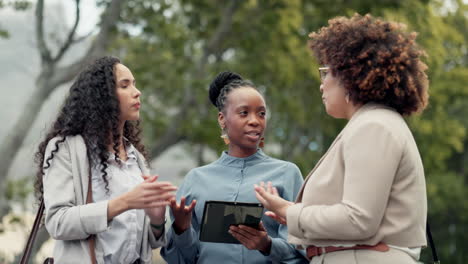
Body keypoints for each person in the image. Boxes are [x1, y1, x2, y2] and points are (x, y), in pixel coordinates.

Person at [254, 14, 429, 264]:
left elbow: (358, 220)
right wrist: (292, 216)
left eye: (326, 73)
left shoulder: (373, 125)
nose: (322, 85)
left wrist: (291, 212)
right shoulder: (374, 124)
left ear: (350, 76)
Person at [34, 56, 177, 264]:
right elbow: (58, 222)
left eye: (134, 84)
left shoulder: (135, 157)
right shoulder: (67, 148)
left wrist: (156, 220)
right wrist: (124, 203)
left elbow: (149, 242)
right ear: (103, 96)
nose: (137, 92)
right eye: (124, 85)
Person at [161, 72, 307, 263]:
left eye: (261, 113)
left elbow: (303, 252)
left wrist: (267, 245)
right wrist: (181, 228)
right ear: (222, 119)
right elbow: (180, 259)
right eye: (244, 112)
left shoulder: (288, 174)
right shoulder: (195, 179)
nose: (255, 120)